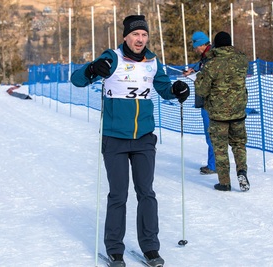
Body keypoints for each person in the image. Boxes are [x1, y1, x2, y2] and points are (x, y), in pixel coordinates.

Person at [71, 15, 189, 267]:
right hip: (115, 138)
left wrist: (177, 89)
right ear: (126, 36)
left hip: (144, 138)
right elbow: (77, 79)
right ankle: (114, 249)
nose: (140, 39)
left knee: (147, 192)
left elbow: (165, 89)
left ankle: (150, 248)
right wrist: (92, 69)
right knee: (118, 195)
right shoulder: (112, 58)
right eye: (135, 34)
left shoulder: (152, 62)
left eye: (144, 35)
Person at [194, 31, 250, 192]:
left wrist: (199, 78)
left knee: (220, 148)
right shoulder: (242, 60)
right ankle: (242, 171)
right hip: (238, 112)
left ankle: (224, 182)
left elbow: (202, 90)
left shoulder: (212, 64)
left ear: (216, 45)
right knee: (239, 144)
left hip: (218, 115)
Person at [183, 31, 216, 175]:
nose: (194, 49)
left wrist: (195, 77)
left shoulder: (211, 57)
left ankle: (214, 165)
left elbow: (208, 79)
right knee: (213, 135)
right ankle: (214, 163)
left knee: (212, 134)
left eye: (195, 46)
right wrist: (193, 71)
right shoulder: (205, 58)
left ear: (202, 44)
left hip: (210, 102)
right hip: (209, 101)